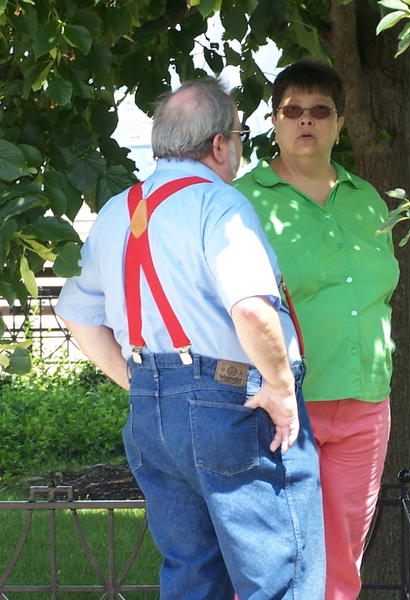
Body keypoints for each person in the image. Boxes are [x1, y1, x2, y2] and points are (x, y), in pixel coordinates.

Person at [55, 78, 325, 600]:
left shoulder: (116, 212)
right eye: (240, 136)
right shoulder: (218, 204)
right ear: (220, 143)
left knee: (192, 575)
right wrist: (279, 391)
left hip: (153, 415)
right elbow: (250, 307)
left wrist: (139, 382)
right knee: (281, 577)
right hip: (233, 406)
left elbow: (77, 316)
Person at [234, 59, 400, 600]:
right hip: (282, 406)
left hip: (364, 403)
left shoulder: (367, 199)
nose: (306, 121)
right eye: (293, 111)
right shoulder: (244, 202)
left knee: (342, 558)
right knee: (272, 557)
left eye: (320, 111)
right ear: (275, 121)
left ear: (339, 123)